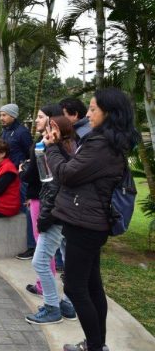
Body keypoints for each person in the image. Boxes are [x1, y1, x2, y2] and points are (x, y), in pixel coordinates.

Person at [44, 88, 138, 351]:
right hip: (89, 221)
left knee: (75, 287)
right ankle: (96, 344)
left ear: (109, 113)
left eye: (93, 108)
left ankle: (95, 347)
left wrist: (51, 148)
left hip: (85, 224)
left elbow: (67, 175)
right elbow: (77, 169)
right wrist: (60, 147)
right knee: (93, 285)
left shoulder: (101, 144)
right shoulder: (107, 142)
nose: (88, 113)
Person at [25, 115, 77, 325]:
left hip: (56, 215)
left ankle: (52, 307)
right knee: (68, 259)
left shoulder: (65, 152)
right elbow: (43, 177)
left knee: (40, 261)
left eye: (51, 127)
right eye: (47, 127)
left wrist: (45, 218)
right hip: (62, 214)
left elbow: (54, 186)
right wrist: (41, 148)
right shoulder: (62, 149)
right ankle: (68, 303)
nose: (47, 131)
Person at [20, 104, 63, 296]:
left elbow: (39, 173)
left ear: (51, 119)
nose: (36, 120)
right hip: (39, 196)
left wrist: (23, 171)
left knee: (43, 244)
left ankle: (44, 285)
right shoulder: (47, 141)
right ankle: (43, 282)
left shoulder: (49, 143)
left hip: (42, 197)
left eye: (40, 116)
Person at [0, 103, 35, 260]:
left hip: (21, 177)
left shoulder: (22, 132)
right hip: (8, 175)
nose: (1, 118)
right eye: (0, 115)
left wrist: (23, 169)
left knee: (27, 209)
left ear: (13, 116)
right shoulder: (5, 132)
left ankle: (31, 246)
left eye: (4, 115)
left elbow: (30, 154)